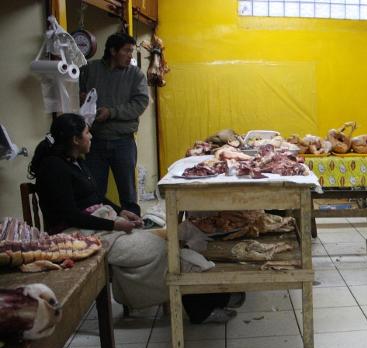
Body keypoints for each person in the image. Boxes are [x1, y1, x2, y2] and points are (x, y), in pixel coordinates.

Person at [28, 114, 241, 324]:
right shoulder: (54, 168)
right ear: (75, 139)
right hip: (78, 235)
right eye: (86, 132)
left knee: (177, 240)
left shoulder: (74, 161)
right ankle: (206, 306)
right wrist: (113, 224)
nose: (91, 136)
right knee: (167, 251)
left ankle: (211, 300)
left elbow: (95, 197)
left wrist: (121, 212)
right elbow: (70, 214)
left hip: (99, 226)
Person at [79, 32, 149, 216]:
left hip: (123, 142)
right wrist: (81, 99)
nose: (130, 56)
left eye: (131, 51)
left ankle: (134, 227)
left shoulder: (135, 75)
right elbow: (76, 93)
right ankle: (100, 230)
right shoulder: (89, 70)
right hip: (94, 142)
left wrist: (111, 112)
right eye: (126, 51)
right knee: (94, 191)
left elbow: (140, 103)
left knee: (127, 192)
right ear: (113, 51)